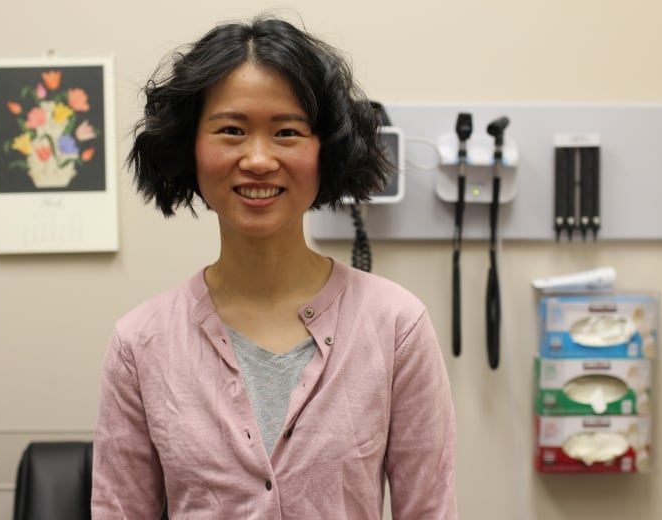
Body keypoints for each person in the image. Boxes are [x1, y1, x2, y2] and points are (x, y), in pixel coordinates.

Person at [92, 14, 457, 519]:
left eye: (287, 131)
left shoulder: (395, 325)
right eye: (232, 130)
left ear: (324, 151)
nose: (259, 159)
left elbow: (429, 509)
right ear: (190, 148)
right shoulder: (141, 344)